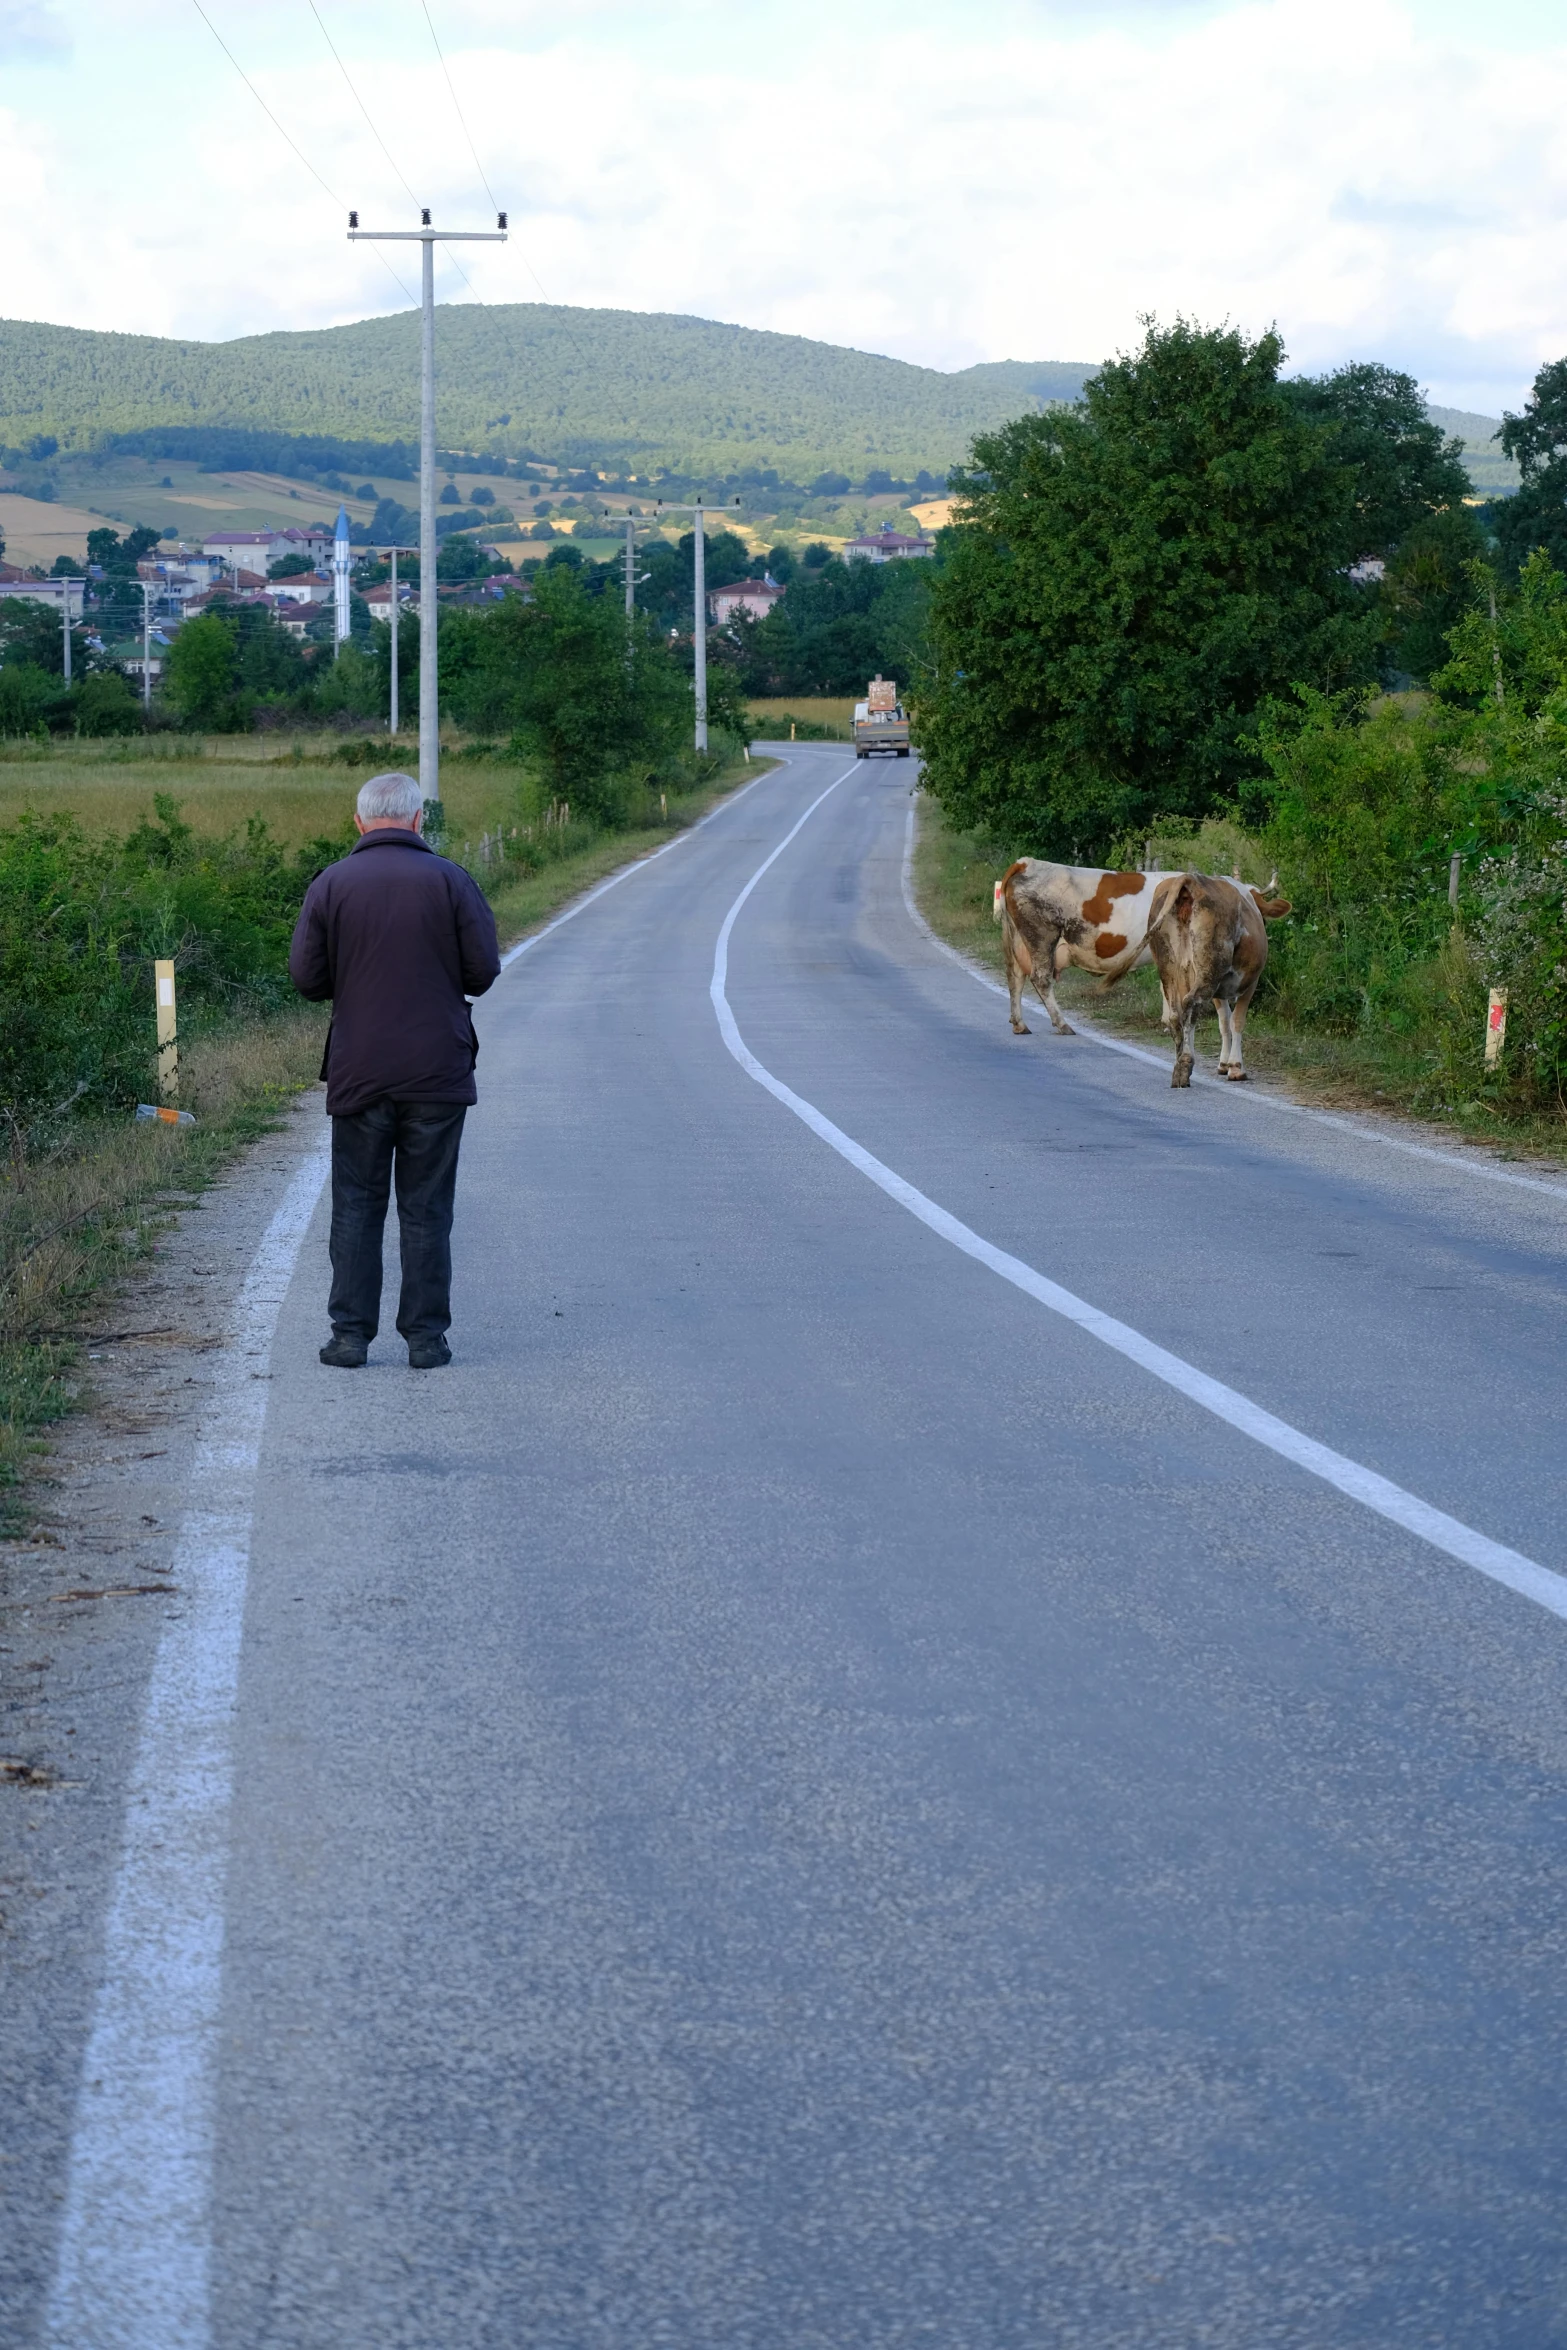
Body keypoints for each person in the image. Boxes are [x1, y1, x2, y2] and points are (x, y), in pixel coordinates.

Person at [289, 771, 501, 1369]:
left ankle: (350, 1336)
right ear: (417, 820)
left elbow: (307, 980)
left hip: (360, 1070)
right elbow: (482, 972)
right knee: (427, 1207)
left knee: (356, 1204)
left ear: (359, 822)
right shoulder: (452, 881)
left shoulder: (331, 884)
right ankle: (426, 1339)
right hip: (437, 1070)